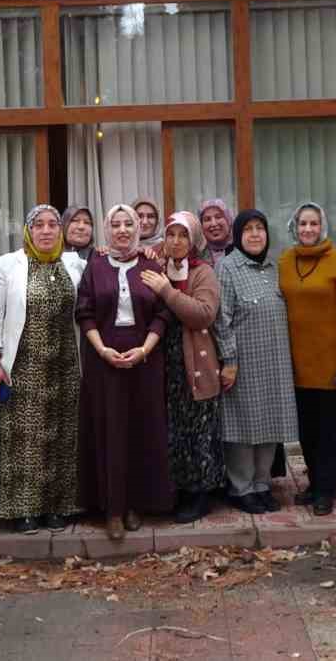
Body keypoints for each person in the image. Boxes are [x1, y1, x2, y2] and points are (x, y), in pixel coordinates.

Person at [0, 205, 88, 534]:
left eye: (52, 225)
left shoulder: (74, 264)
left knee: (62, 436)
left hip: (66, 365)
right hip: (23, 366)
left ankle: (58, 507)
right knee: (24, 439)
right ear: (28, 230)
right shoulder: (9, 265)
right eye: (38, 225)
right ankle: (23, 510)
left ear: (61, 230)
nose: (46, 231)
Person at [76, 205, 175, 539]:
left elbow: (163, 314)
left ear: (138, 228)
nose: (121, 230)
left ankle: (136, 504)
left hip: (145, 356)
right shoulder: (96, 265)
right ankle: (112, 508)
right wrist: (101, 349)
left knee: (140, 430)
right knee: (109, 430)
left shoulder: (151, 265)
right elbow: (84, 312)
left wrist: (144, 350)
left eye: (128, 224)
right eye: (115, 224)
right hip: (103, 358)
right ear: (107, 229)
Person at [140, 211, 226, 523]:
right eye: (171, 234)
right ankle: (174, 491)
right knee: (171, 432)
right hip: (162, 361)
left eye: (183, 235)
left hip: (195, 363)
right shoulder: (156, 266)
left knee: (198, 432)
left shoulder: (203, 272)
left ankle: (200, 495)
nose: (175, 241)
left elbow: (203, 314)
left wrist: (167, 291)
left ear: (194, 241)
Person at [213, 209, 298, 514]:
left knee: (270, 423)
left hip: (275, 359)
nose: (254, 234)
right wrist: (229, 359)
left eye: (259, 228)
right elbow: (220, 319)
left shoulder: (276, 267)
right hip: (243, 360)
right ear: (238, 235)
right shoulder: (227, 267)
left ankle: (262, 485)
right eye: (247, 229)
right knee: (242, 425)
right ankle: (241, 488)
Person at [277, 201, 336, 516]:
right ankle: (314, 484)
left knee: (331, 431)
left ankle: (327, 489)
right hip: (296, 364)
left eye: (313, 223)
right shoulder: (284, 262)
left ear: (322, 226)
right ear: (294, 228)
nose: (308, 229)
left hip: (331, 365)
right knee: (307, 431)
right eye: (302, 224)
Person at [198, 198, 234, 264]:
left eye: (218, 217)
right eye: (207, 219)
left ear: (228, 220)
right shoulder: (196, 254)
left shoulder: (241, 250)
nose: (213, 224)